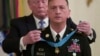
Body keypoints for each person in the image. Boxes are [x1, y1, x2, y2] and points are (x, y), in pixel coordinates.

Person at [2, 0, 95, 56]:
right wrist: (24, 40)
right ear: (29, 4)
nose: (40, 5)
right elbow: (6, 46)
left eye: (43, 1)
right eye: (36, 1)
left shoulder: (64, 20)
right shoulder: (18, 23)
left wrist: (89, 32)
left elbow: (79, 39)